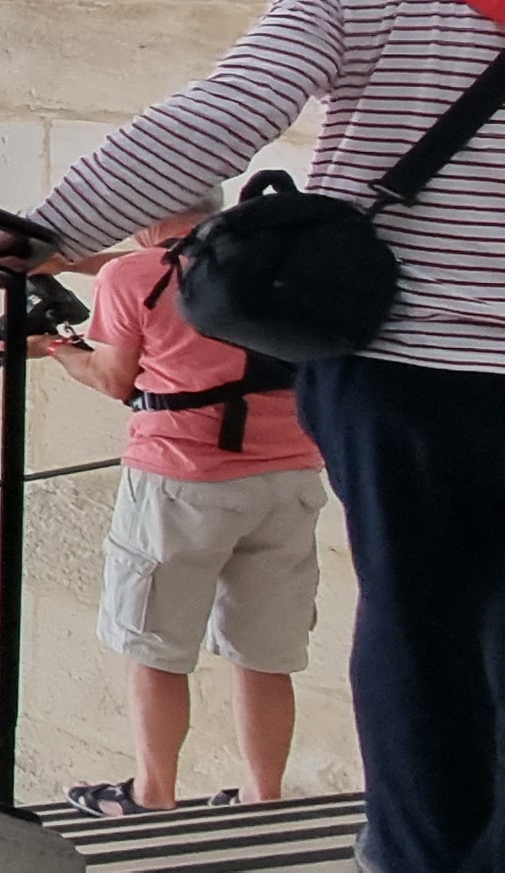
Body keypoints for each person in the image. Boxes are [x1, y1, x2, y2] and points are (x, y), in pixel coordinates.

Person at [9, 0, 505, 873]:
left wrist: (36, 234)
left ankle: (420, 854)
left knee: (419, 615)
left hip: (408, 372)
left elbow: (217, 119)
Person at [34, 203, 325, 818]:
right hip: (290, 474)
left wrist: (57, 349)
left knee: (155, 644)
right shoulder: (273, 259)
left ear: (147, 210)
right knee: (265, 653)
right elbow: (169, 267)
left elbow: (115, 379)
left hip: (181, 481)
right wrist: (77, 262)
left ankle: (152, 795)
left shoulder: (133, 277)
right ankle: (262, 799)